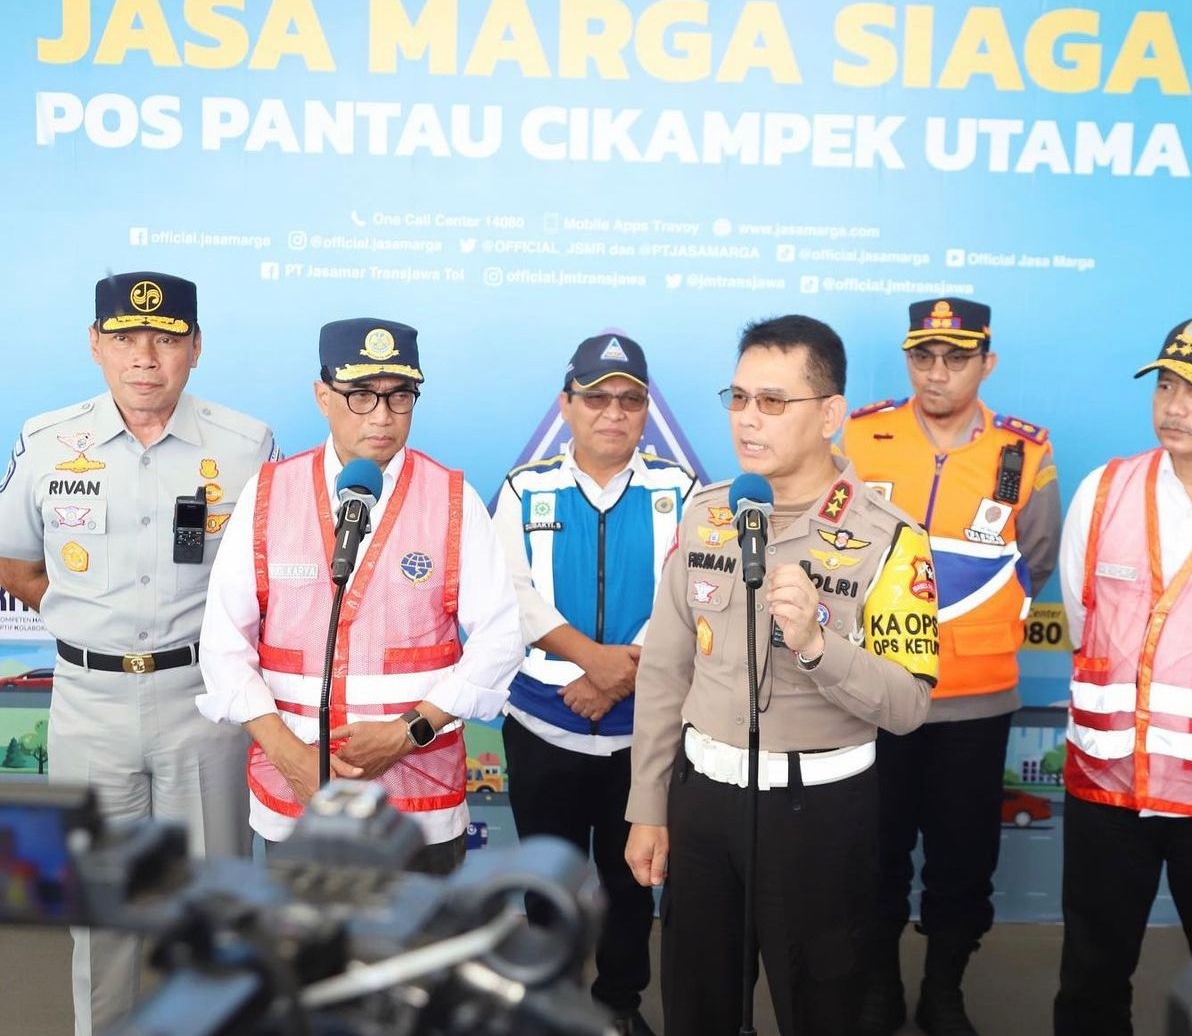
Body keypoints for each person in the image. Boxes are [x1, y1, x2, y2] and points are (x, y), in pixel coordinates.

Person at [625, 315, 939, 1036]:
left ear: (831, 415)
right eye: (737, 399)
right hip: (703, 806)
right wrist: (648, 803)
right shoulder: (708, 516)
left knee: (822, 1011)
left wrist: (818, 644)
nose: (748, 420)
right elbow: (667, 671)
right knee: (695, 1009)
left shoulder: (889, 538)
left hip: (819, 817)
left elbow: (908, 706)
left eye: (772, 401)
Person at [0, 271, 278, 1034]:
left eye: (165, 338)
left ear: (195, 348)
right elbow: (14, 560)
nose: (145, 357)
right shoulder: (50, 440)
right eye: (125, 338)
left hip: (202, 702)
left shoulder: (246, 444)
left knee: (215, 900)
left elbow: (268, 577)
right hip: (88, 705)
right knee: (101, 908)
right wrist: (75, 612)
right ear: (96, 346)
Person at [197, 318, 524, 871]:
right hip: (296, 794)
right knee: (305, 955)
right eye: (361, 395)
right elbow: (224, 641)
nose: (381, 416)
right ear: (323, 396)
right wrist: (289, 755)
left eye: (400, 397)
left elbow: (501, 638)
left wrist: (408, 730)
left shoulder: (450, 498)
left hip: (417, 797)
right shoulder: (271, 492)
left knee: (416, 955)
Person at [1054, 312, 1192, 1035]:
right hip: (1108, 786)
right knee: (1090, 977)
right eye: (1167, 385)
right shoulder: (1104, 491)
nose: (1175, 406)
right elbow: (1086, 625)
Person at [841, 298, 1061, 1035]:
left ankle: (944, 991)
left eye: (956, 357)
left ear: (986, 363)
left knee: (963, 862)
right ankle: (877, 988)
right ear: (909, 360)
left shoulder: (1023, 452)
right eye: (924, 356)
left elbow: (1036, 559)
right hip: (873, 696)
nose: (937, 372)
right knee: (874, 857)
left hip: (976, 701)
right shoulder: (860, 435)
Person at [493, 334, 698, 1036]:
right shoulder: (526, 488)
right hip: (545, 724)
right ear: (568, 404)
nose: (613, 412)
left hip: (640, 737)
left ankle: (618, 1004)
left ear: (646, 411)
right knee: (547, 883)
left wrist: (616, 679)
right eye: (597, 397)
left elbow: (689, 597)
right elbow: (511, 594)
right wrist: (592, 661)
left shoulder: (683, 492)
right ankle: (549, 1002)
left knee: (630, 883)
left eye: (629, 399)